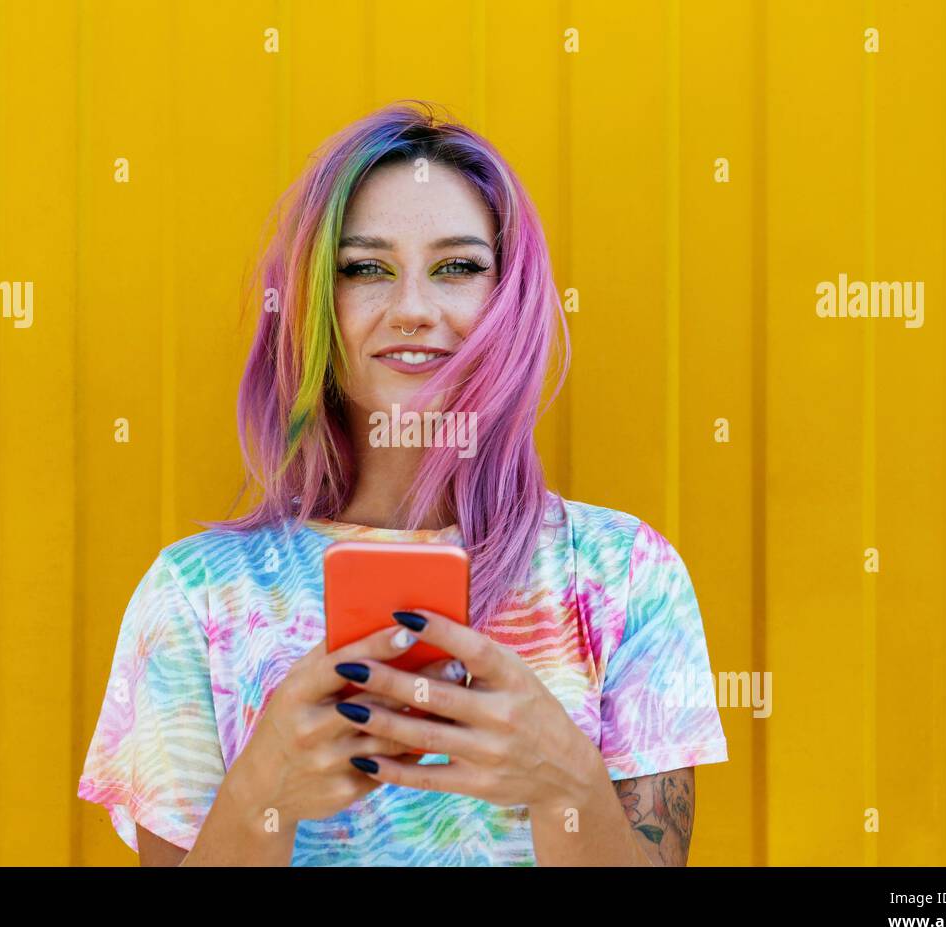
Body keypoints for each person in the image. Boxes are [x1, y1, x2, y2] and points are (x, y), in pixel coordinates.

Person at [78, 100, 728, 866]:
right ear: (316, 299)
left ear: (508, 300)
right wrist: (263, 797)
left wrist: (567, 788)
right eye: (365, 269)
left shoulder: (626, 574)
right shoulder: (192, 595)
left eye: (457, 267)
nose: (414, 309)